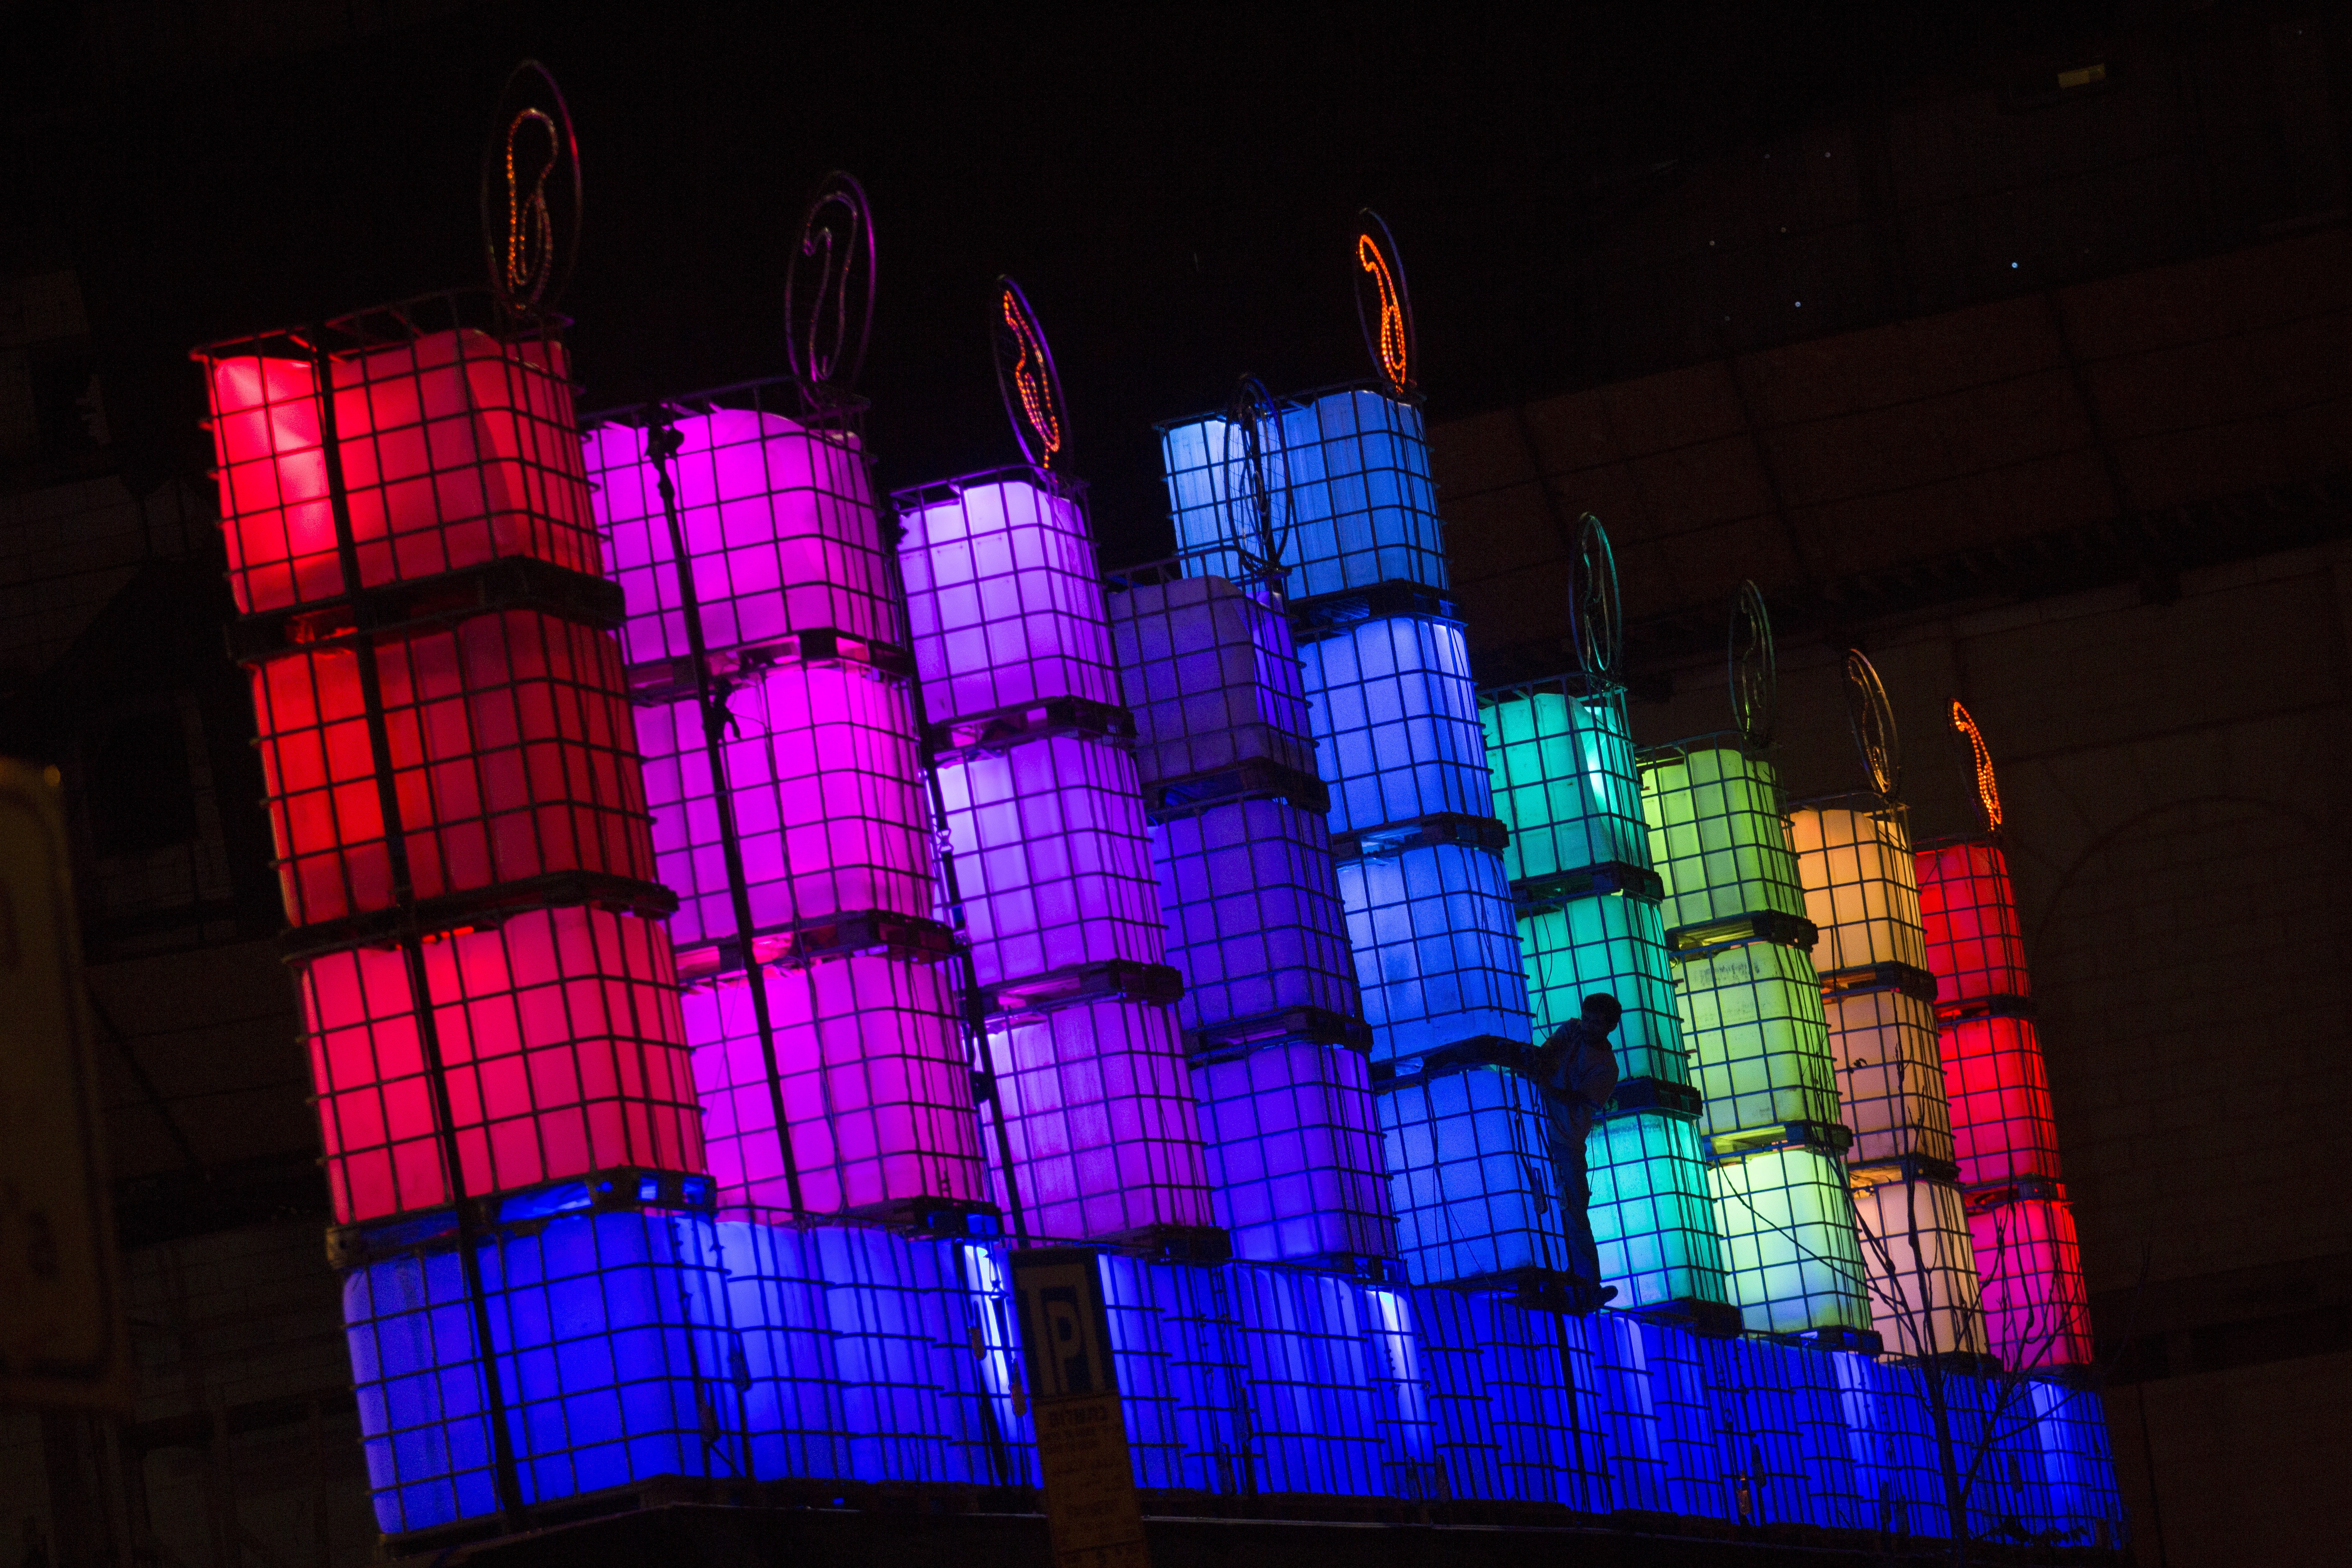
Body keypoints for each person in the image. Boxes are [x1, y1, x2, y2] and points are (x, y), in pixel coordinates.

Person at [1524, 992, 1623, 1306]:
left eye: (1597, 1023)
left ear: (1610, 1027)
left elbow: (1578, 1099)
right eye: (1586, 1018)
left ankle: (1588, 1284)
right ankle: (1560, 1275)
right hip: (1540, 1128)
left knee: (1574, 1210)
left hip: (1567, 1139)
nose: (1589, 1026)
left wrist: (1545, 1086)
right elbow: (1547, 1052)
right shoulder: (1572, 1030)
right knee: (1545, 1206)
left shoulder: (1607, 1067)